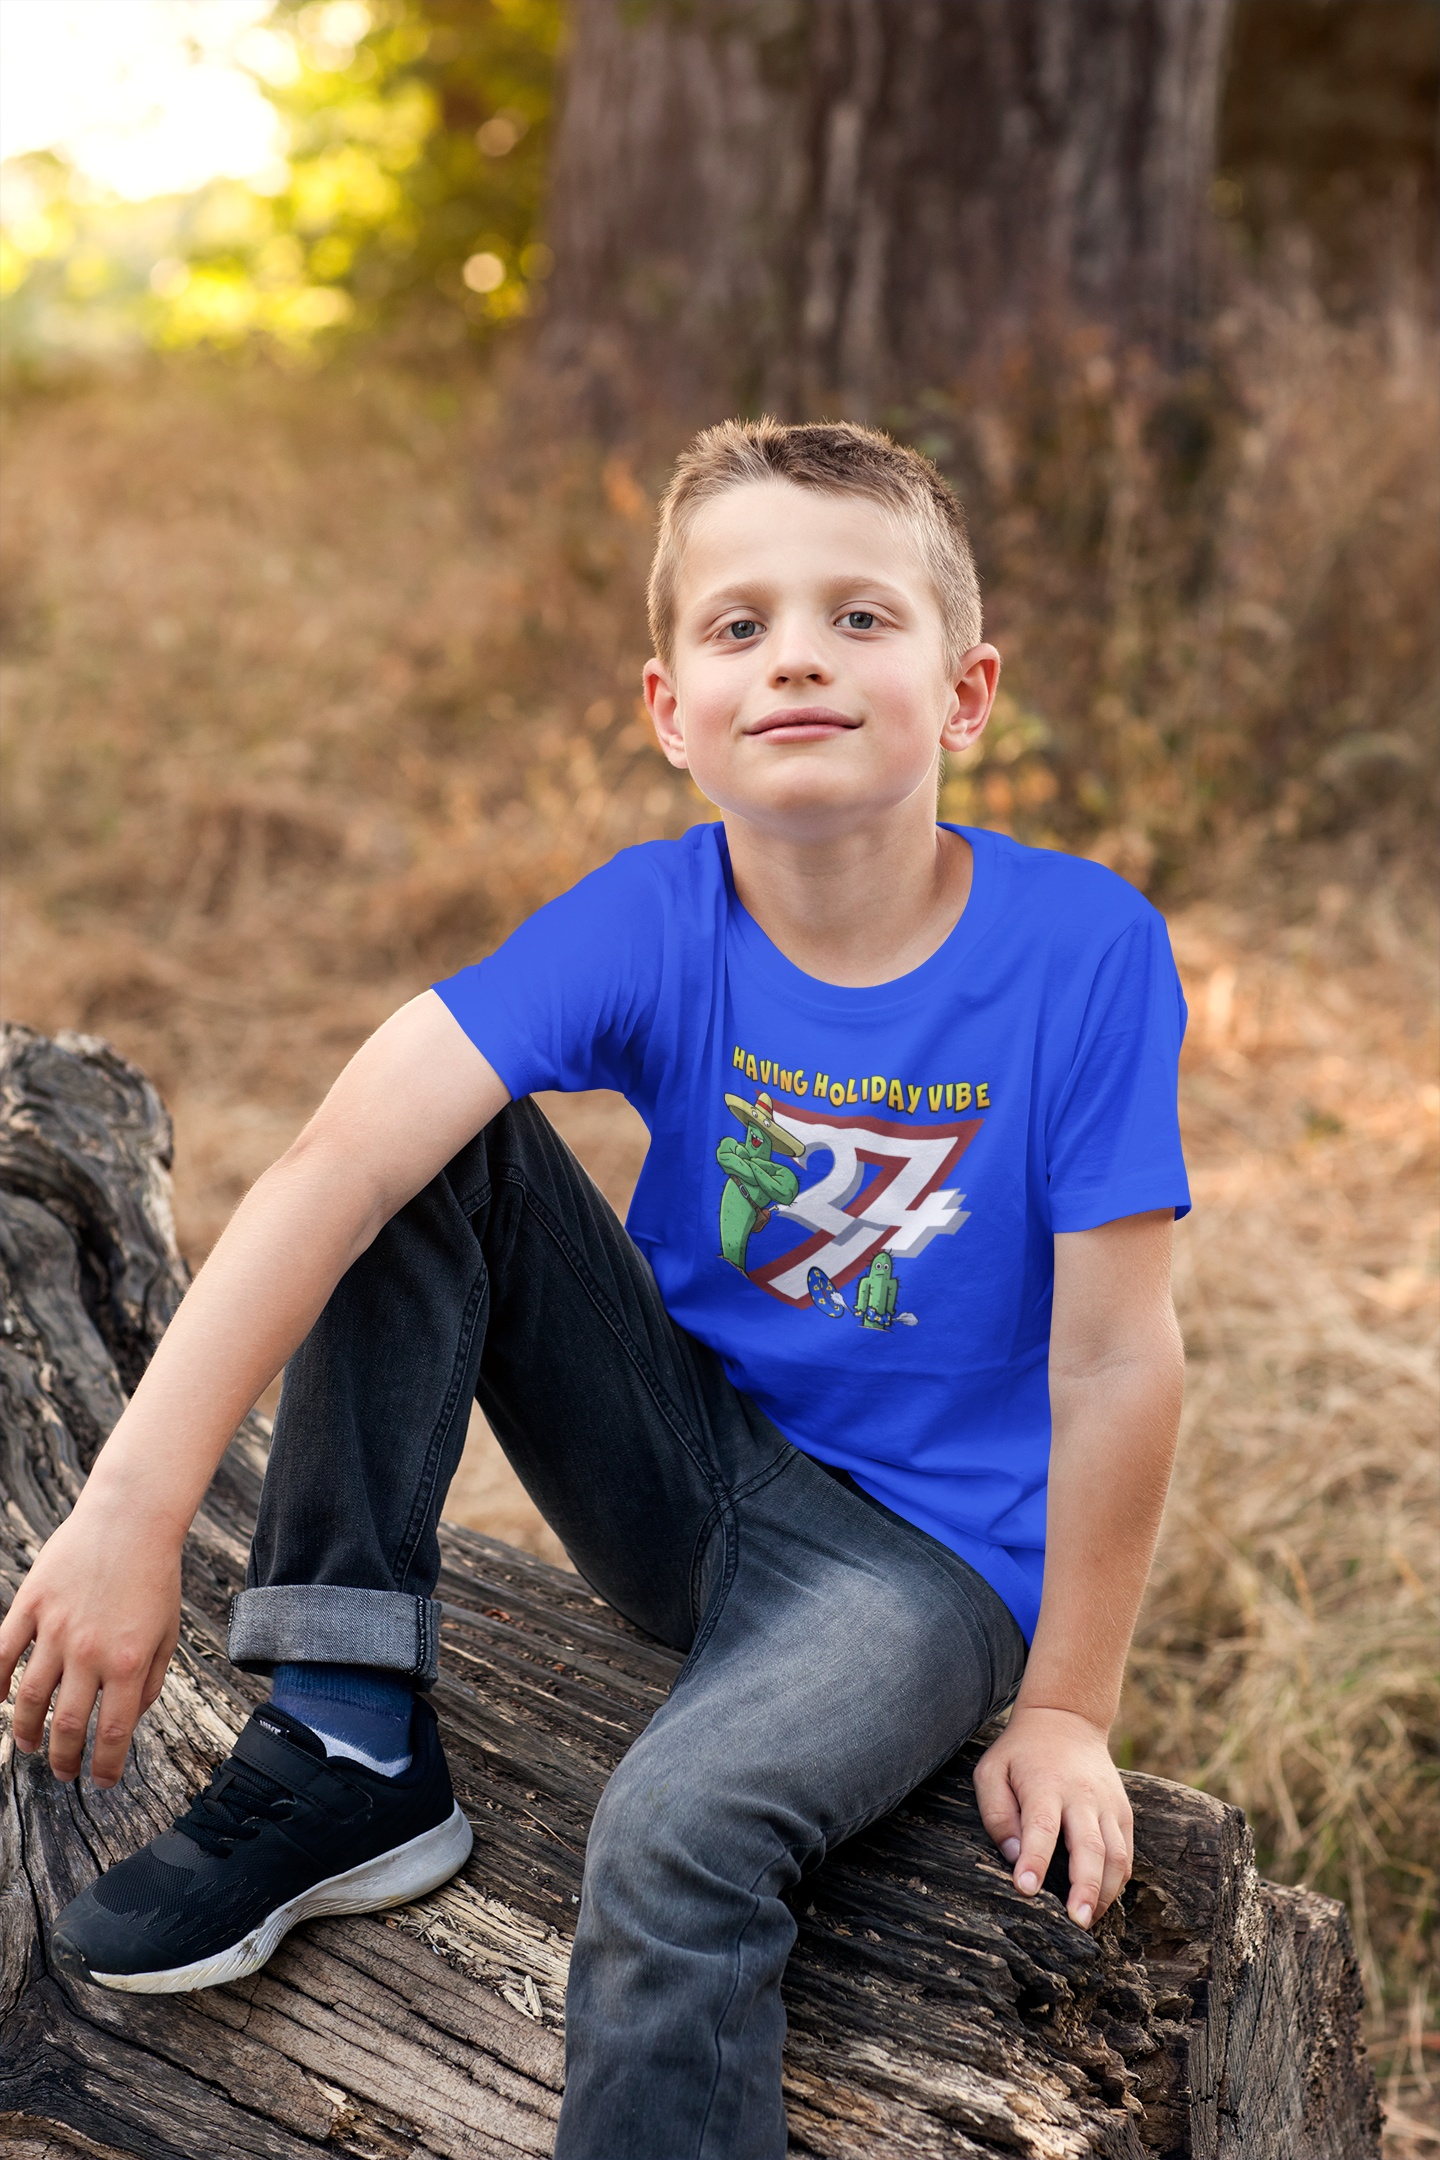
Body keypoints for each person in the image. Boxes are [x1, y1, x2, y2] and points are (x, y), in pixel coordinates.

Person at [1, 419, 1189, 2160]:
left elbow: (1117, 1367)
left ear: (967, 692)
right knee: (422, 1146)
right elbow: (336, 1164)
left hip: (925, 1573)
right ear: (670, 713)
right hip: (683, 1477)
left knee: (674, 1836)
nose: (796, 651)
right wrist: (129, 1513)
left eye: (862, 617)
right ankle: (343, 1735)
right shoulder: (648, 919)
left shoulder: (1083, 954)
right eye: (740, 626)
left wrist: (1072, 1703)